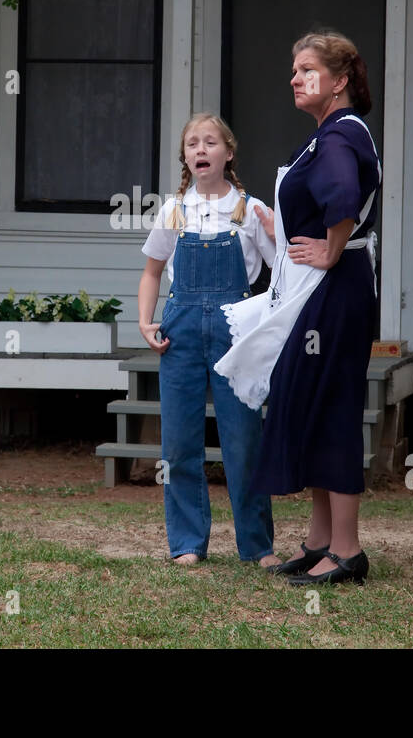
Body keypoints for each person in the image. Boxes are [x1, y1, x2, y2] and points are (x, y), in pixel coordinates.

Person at [215, 31, 381, 585]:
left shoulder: (339, 135)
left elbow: (343, 195)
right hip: (318, 288)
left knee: (331, 406)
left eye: (306, 69)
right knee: (308, 402)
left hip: (334, 292)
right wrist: (280, 228)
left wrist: (332, 249)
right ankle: (319, 540)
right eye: (293, 69)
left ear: (338, 81)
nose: (294, 78)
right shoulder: (326, 134)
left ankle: (349, 550)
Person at [138, 113, 280, 569]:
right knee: (179, 442)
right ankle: (186, 542)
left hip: (235, 331)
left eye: (211, 142)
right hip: (178, 332)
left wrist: (270, 329)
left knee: (243, 441)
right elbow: (152, 272)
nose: (201, 149)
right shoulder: (172, 210)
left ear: (228, 153)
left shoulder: (252, 211)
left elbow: (282, 275)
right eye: (193, 143)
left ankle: (257, 546)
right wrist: (145, 322)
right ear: (185, 157)